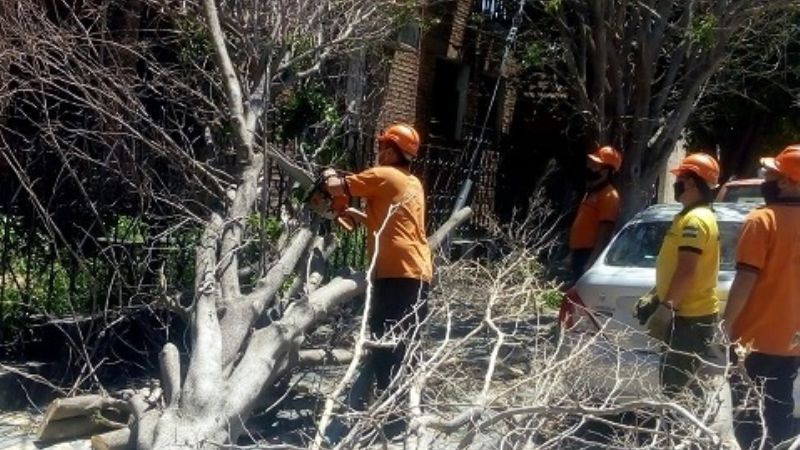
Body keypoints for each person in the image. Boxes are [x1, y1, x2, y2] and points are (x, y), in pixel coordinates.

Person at [322, 123, 432, 437]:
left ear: (392, 149)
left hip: (396, 273)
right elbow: (385, 222)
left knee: (387, 344)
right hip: (415, 272)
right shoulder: (411, 182)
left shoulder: (383, 175)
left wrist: (329, 173)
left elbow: (336, 187)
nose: (379, 150)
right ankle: (407, 410)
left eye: (383, 145)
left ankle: (393, 421)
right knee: (406, 345)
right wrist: (356, 215)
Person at [723, 145, 800, 449]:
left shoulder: (761, 220)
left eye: (771, 173)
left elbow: (745, 279)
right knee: (779, 416)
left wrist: (723, 326)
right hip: (792, 343)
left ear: (788, 182)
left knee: (749, 420)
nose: (764, 178)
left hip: (752, 343)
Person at [648, 153, 721, 396]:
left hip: (689, 319)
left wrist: (667, 307)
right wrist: (657, 293)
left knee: (677, 389)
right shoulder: (689, 216)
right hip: (687, 316)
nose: (676, 183)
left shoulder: (695, 220)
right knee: (677, 383)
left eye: (680, 178)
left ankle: (679, 433)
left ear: (690, 182)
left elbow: (688, 270)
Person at [567, 146, 622, 283]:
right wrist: (571, 255)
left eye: (596, 165)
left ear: (607, 171)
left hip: (589, 255)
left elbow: (605, 232)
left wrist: (592, 262)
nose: (591, 168)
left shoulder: (609, 196)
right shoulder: (591, 192)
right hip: (578, 254)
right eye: (591, 164)